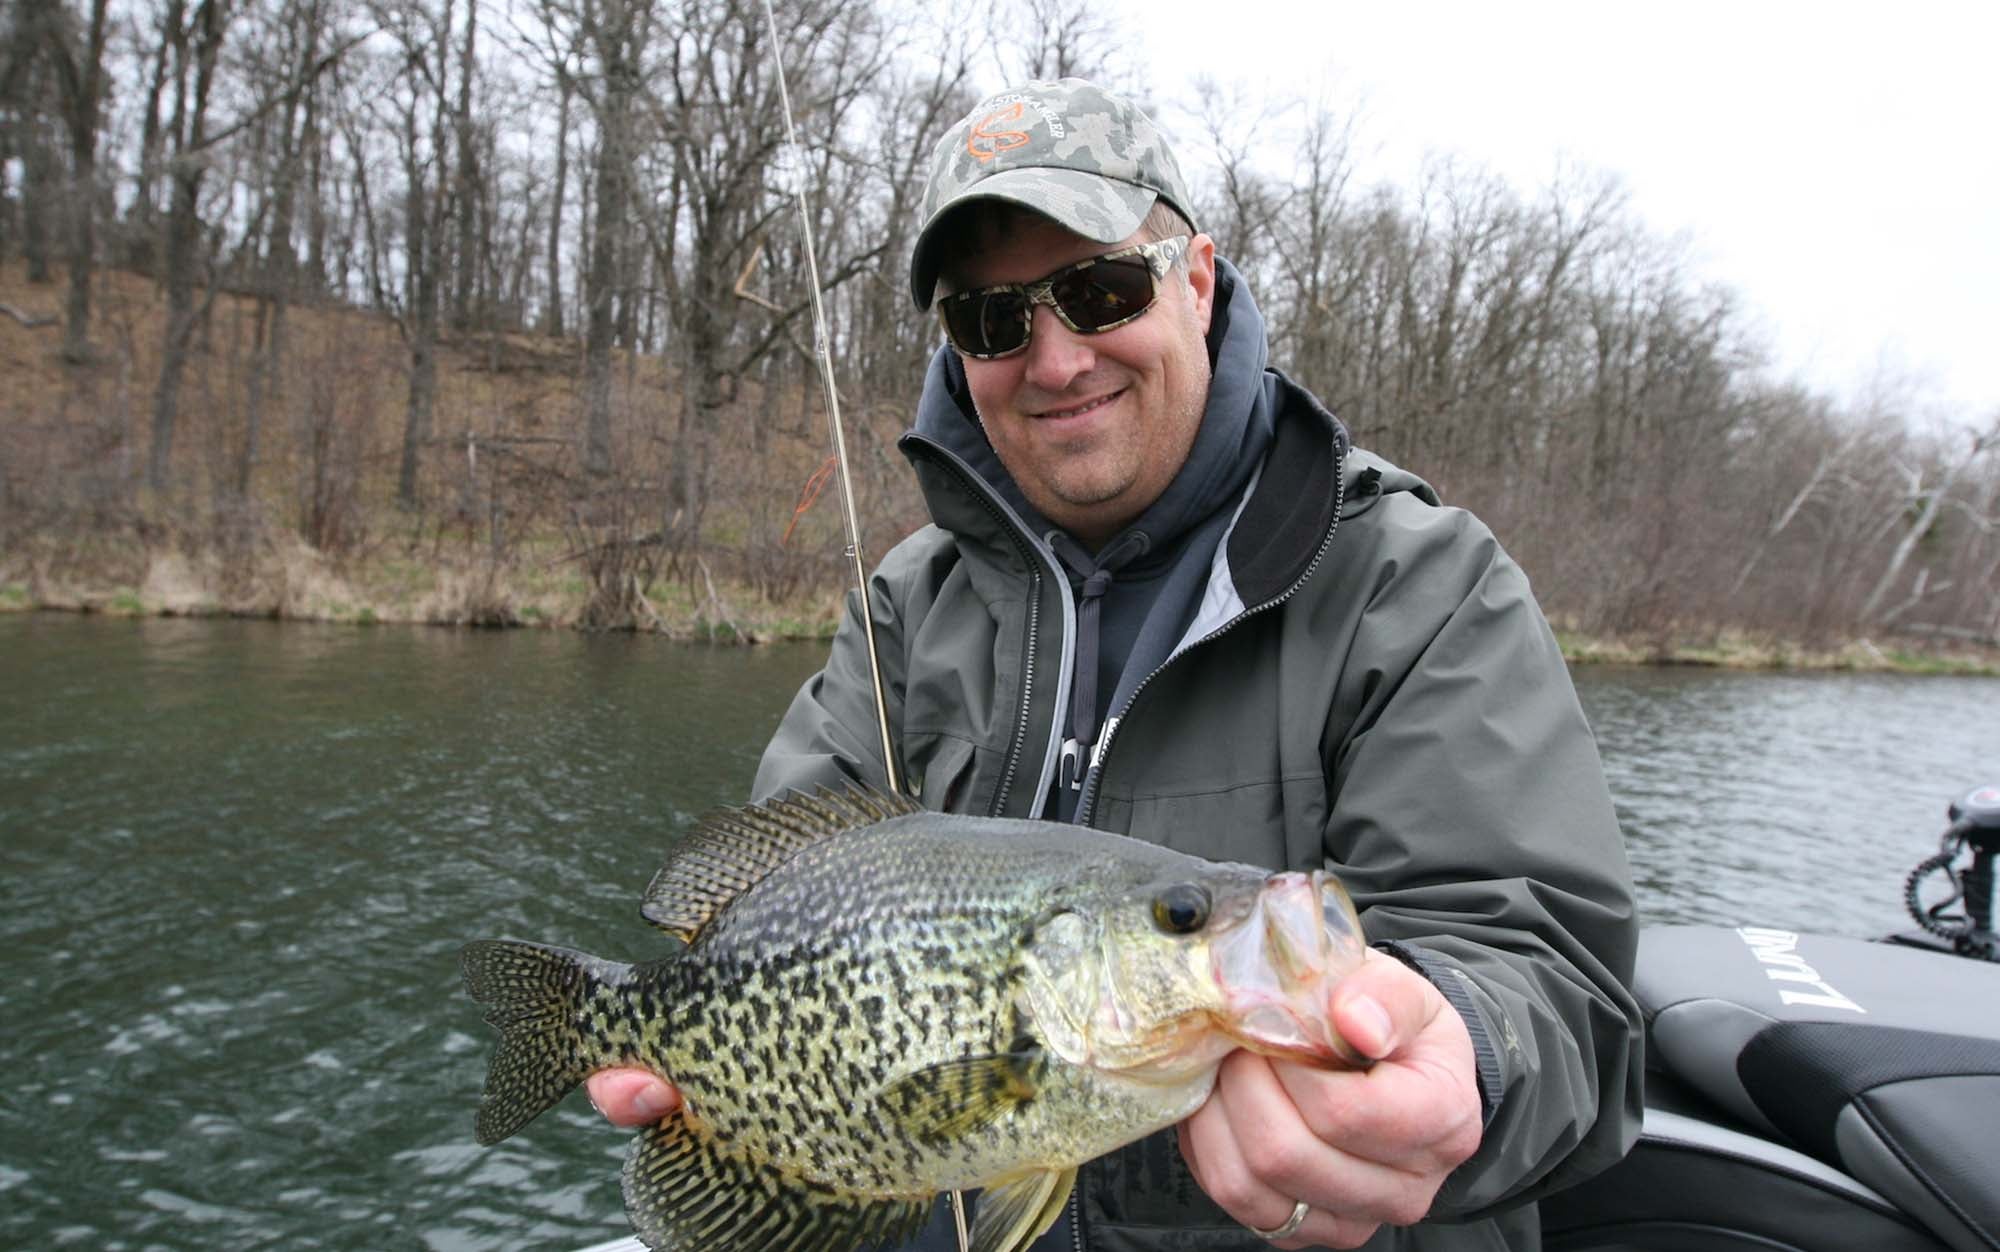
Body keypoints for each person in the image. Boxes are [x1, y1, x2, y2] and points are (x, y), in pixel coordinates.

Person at [587, 79, 1642, 1251]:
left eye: (1097, 290)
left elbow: (1555, 990)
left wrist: (1470, 1056)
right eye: (990, 321)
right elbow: (775, 908)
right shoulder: (902, 605)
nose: (1053, 359)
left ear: (1193, 279)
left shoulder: (1415, 584)